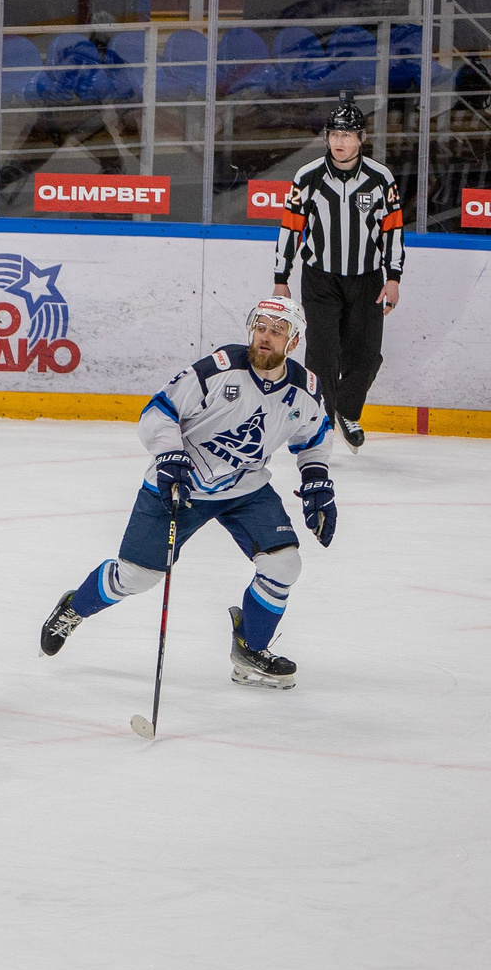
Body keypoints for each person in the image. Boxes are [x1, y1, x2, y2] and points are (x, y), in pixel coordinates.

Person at [39, 295, 335, 690]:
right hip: (181, 482)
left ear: (293, 342)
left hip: (245, 488)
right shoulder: (218, 369)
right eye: (261, 327)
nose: (266, 337)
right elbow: (159, 410)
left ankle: (250, 650)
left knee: (284, 565)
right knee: (136, 577)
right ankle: (74, 608)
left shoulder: (305, 390)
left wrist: (317, 478)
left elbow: (314, 437)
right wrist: (170, 454)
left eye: (277, 331)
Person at [273, 97, 402, 450]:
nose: (339, 142)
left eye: (347, 135)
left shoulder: (380, 179)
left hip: (367, 280)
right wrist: (281, 278)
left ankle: (345, 410)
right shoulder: (308, 177)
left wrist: (394, 277)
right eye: (334, 134)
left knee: (367, 355)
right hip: (320, 279)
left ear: (361, 138)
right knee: (322, 354)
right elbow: (290, 228)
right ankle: (318, 421)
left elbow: (392, 231)